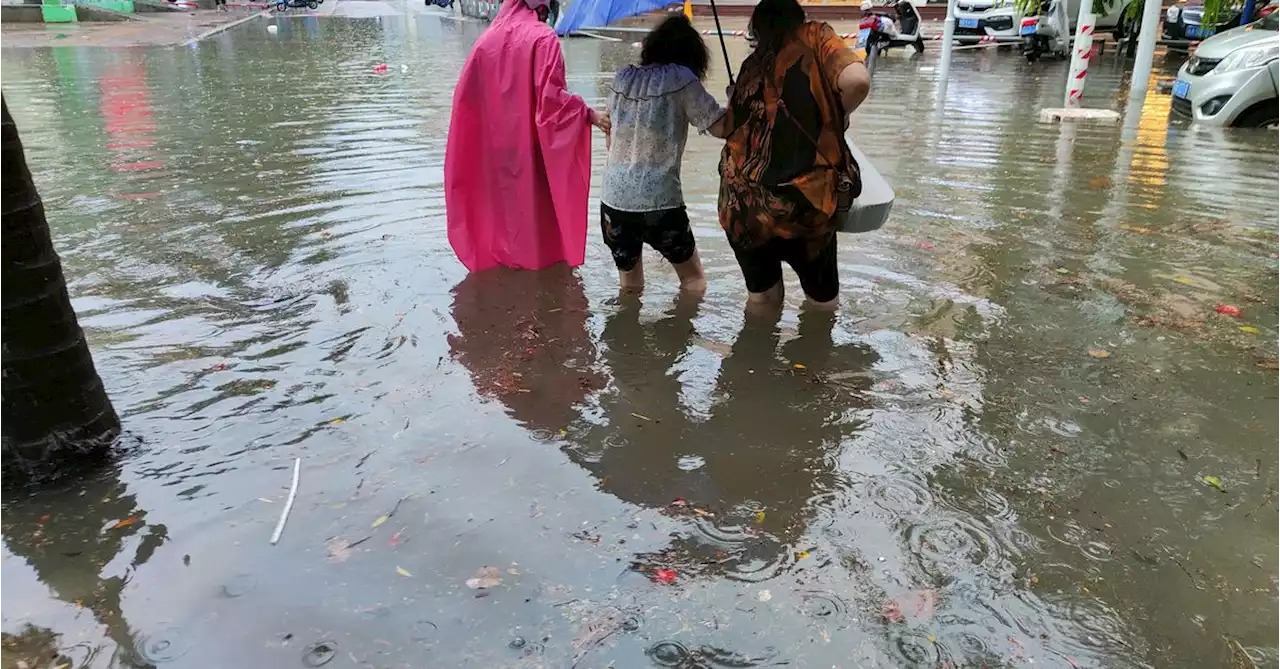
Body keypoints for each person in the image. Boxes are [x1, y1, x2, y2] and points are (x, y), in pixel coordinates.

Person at [717, 0, 871, 310]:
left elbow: (729, 129)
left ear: (756, 28)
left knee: (763, 301)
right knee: (822, 303)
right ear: (798, 17)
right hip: (804, 207)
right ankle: (812, 356)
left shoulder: (751, 65)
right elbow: (857, 81)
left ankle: (753, 358)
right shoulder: (815, 36)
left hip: (743, 207)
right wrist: (834, 118)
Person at [444, 0, 611, 273]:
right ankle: (539, 281)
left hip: (495, 150)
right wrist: (587, 114)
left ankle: (507, 282)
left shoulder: (485, 42)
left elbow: (467, 102)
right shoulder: (543, 39)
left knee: (505, 221)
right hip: (532, 150)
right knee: (534, 222)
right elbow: (552, 105)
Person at [601, 15, 729, 294]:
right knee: (694, 281)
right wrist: (736, 101)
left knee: (630, 288)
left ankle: (626, 336)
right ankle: (679, 334)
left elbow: (611, 137)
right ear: (692, 54)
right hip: (659, 202)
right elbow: (721, 127)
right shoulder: (681, 79)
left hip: (613, 201)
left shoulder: (622, 77)